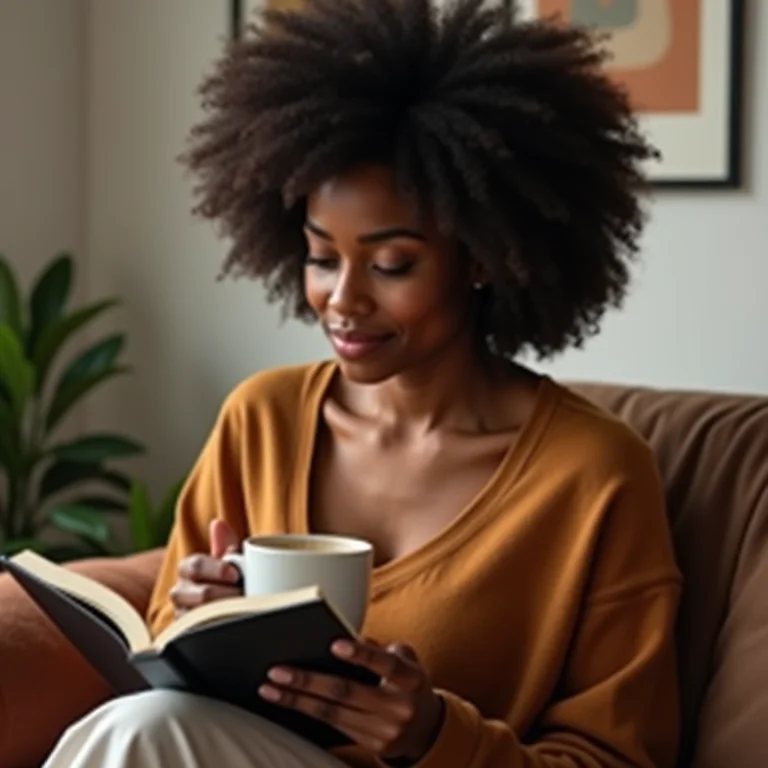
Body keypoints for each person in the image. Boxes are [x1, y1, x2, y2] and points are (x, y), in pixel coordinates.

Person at [43, 0, 682, 766]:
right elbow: (164, 671)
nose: (342, 299)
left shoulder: (594, 475)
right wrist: (191, 617)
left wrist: (434, 736)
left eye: (391, 264)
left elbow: (621, 757)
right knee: (149, 722)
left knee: (144, 734)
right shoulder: (263, 420)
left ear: (482, 258)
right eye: (321, 257)